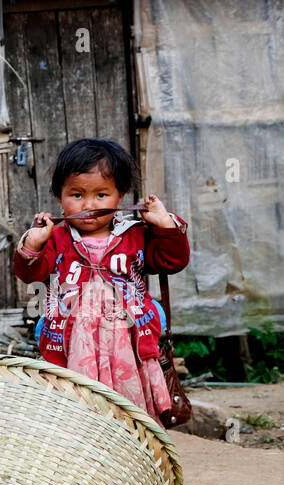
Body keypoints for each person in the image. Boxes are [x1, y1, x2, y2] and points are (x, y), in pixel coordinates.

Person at [13, 138, 189, 420]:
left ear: (121, 197)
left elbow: (172, 260)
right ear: (59, 196)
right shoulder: (56, 238)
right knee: (77, 415)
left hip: (129, 346)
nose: (90, 205)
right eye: (77, 195)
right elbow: (30, 273)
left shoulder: (136, 234)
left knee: (128, 415)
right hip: (72, 344)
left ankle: (130, 449)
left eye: (102, 195)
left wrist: (165, 225)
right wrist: (33, 245)